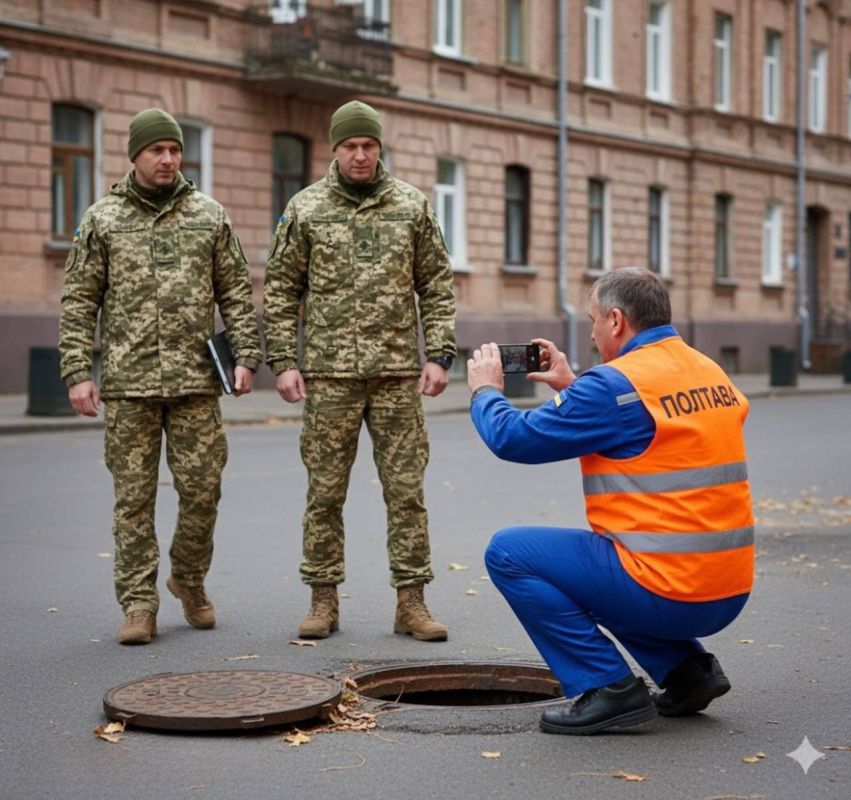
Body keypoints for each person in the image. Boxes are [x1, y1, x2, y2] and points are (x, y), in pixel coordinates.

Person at [467, 267, 754, 734]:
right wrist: (571, 385)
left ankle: (609, 689)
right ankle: (687, 672)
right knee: (605, 570)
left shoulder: (614, 385)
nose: (593, 333)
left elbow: (512, 439)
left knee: (510, 552)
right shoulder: (705, 368)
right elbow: (641, 426)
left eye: (593, 321)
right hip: (726, 587)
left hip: (671, 593)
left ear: (617, 321)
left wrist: (485, 390)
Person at [59, 108, 262, 645]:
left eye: (175, 150)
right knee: (133, 499)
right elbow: (79, 301)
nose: (169, 159)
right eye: (158, 151)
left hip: (196, 384)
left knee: (203, 491)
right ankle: (138, 603)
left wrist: (247, 356)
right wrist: (79, 371)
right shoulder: (102, 219)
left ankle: (188, 580)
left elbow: (236, 294)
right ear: (136, 156)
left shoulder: (209, 216)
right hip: (130, 386)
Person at [263, 100, 457, 642]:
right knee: (324, 492)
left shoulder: (412, 207)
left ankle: (411, 602)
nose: (360, 155)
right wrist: (284, 362)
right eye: (350, 146)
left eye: (368, 145)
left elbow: (436, 285)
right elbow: (280, 292)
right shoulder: (305, 210)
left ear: (379, 148)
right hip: (329, 376)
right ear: (335, 149)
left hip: (397, 375)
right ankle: (323, 600)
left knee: (406, 491)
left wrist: (439, 355)